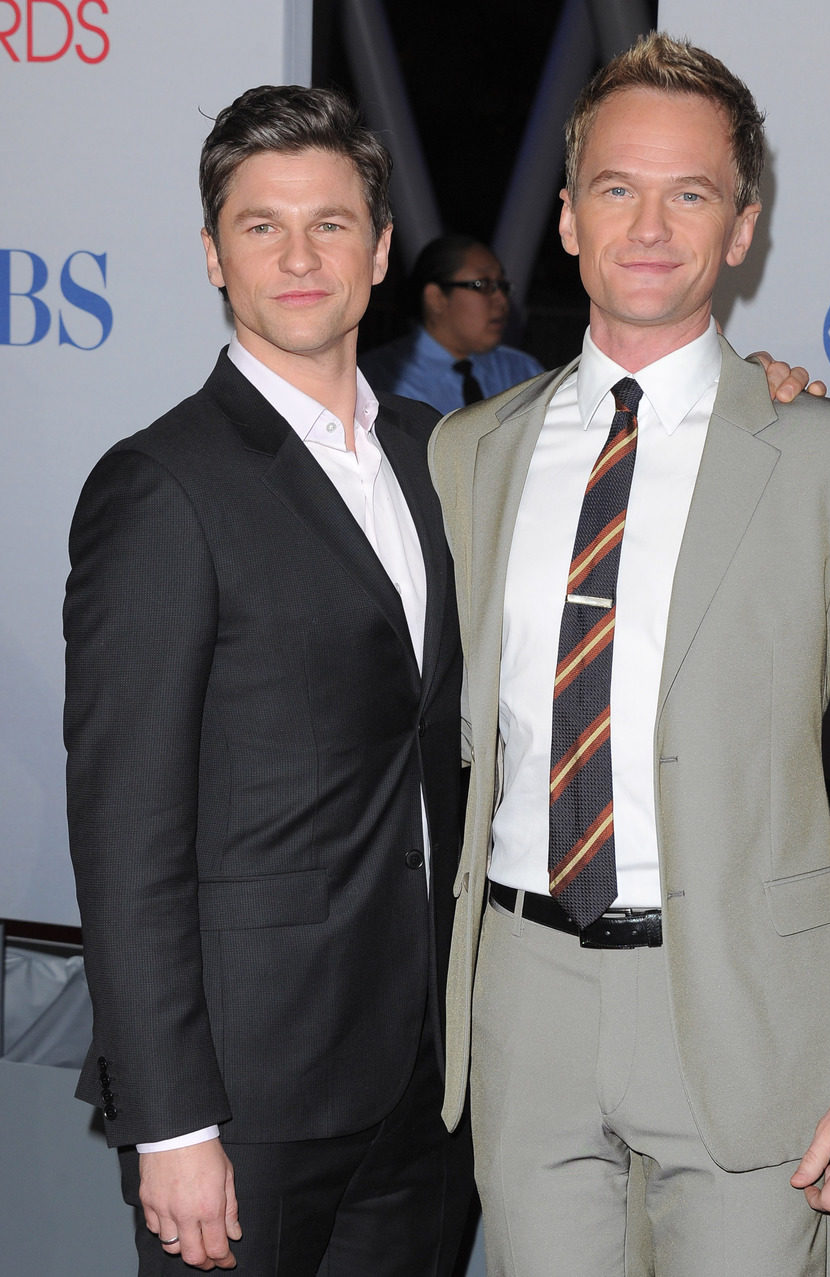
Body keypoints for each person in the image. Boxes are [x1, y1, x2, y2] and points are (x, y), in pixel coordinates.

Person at [428, 33, 830, 1277]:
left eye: (692, 192)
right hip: (523, 1005)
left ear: (742, 226)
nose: (651, 224)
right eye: (617, 187)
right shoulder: (472, 453)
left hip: (752, 1015)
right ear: (566, 218)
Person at [64, 85, 474, 1276]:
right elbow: (125, 829)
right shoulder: (162, 485)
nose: (300, 256)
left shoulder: (436, 457)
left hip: (429, 1079)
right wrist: (172, 1117)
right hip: (244, 1101)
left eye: (333, 222)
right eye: (260, 225)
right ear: (213, 255)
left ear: (382, 248)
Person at [360, 233, 543, 413]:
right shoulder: (380, 379)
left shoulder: (522, 371)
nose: (502, 300)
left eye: (502, 286)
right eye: (482, 285)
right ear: (437, 298)